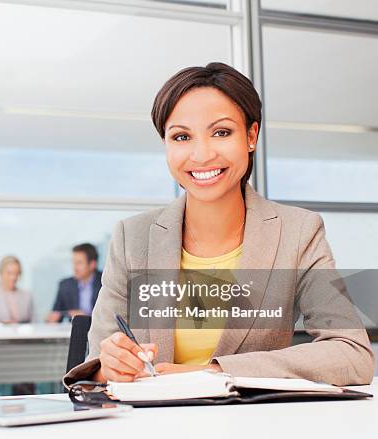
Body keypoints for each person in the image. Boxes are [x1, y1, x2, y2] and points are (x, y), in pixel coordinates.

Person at [63, 62, 374, 387]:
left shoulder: (298, 232)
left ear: (251, 136)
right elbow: (94, 369)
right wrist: (110, 366)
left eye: (221, 132)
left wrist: (212, 372)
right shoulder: (132, 238)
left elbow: (352, 354)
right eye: (182, 136)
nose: (201, 154)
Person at [46, 243, 102, 323]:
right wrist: (54, 317)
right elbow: (56, 314)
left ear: (92, 264)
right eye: (73, 262)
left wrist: (87, 316)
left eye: (79, 263)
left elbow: (110, 315)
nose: (75, 268)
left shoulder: (105, 283)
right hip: (74, 331)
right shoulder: (65, 285)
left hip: (99, 331)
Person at [0, 256, 33, 323]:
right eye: (9, 273)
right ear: (1, 273)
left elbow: (34, 323)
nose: (13, 277)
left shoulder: (27, 296)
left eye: (16, 273)